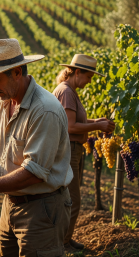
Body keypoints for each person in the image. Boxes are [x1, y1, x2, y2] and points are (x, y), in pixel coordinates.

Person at [0, 39, 73, 257]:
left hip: (42, 209)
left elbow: (34, 172)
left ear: (17, 72)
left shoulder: (44, 110)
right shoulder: (5, 101)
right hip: (10, 203)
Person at [53, 54, 115, 251]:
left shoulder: (69, 90)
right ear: (77, 72)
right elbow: (70, 127)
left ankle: (66, 239)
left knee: (70, 199)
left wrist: (97, 122)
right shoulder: (67, 92)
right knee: (72, 199)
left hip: (73, 149)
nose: (90, 81)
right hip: (68, 149)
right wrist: (97, 126)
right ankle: (61, 243)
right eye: (89, 77)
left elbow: (74, 121)